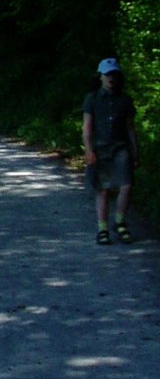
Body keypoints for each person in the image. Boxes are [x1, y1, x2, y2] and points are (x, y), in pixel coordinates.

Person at [82, 57, 139, 245]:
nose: (111, 78)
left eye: (114, 74)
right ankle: (102, 228)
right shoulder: (92, 99)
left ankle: (120, 221)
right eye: (107, 75)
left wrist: (135, 151)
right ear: (100, 76)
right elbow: (87, 127)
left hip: (120, 147)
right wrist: (89, 150)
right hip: (100, 148)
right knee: (103, 189)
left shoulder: (125, 100)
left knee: (126, 184)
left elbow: (130, 128)